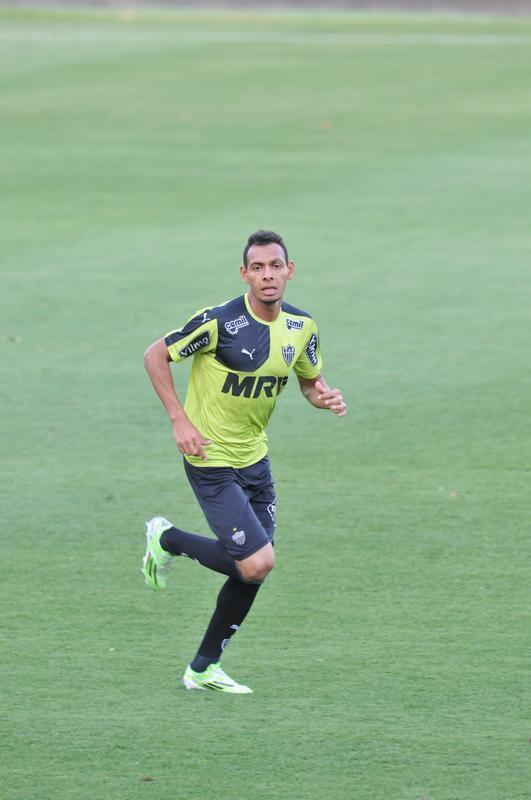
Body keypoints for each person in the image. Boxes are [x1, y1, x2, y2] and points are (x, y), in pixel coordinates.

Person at [142, 229, 346, 693]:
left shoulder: (302, 327)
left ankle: (202, 669)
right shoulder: (218, 323)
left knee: (253, 569)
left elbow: (310, 383)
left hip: (257, 462)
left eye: (275, 266)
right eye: (258, 268)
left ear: (289, 270)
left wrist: (325, 397)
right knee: (256, 563)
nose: (268, 275)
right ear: (244, 274)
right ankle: (167, 538)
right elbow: (156, 354)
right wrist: (179, 420)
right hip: (210, 460)